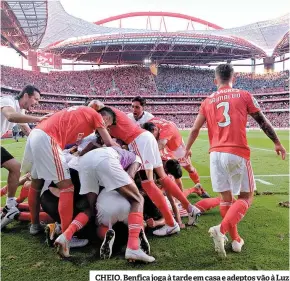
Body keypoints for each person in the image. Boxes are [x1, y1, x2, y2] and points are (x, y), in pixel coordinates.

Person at [185, 63, 286, 257]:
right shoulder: (243, 94)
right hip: (236, 152)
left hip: (215, 154)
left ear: (216, 80)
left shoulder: (207, 101)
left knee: (226, 199)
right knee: (246, 197)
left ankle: (236, 239)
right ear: (234, 78)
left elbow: (195, 129)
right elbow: (262, 121)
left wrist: (187, 149)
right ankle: (221, 230)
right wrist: (277, 142)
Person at [91, 102, 199, 237]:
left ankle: (171, 224)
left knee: (147, 183)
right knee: (162, 177)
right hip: (146, 138)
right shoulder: (111, 117)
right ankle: (189, 208)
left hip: (138, 140)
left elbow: (96, 104)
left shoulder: (105, 113)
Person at [21, 105, 115, 236]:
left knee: (37, 184)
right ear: (106, 118)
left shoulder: (82, 113)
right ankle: (67, 238)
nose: (106, 127)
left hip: (37, 133)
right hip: (48, 138)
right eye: (108, 124)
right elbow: (109, 143)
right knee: (67, 188)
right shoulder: (97, 116)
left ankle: (35, 225)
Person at [77, 146, 155, 263]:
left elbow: (91, 195)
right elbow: (131, 175)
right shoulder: (131, 159)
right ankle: (135, 242)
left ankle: (70, 236)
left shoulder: (96, 158)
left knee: (100, 223)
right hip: (126, 208)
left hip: (84, 165)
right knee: (138, 202)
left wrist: (95, 217)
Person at [1, 85, 43, 229]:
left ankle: (10, 203)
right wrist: (39, 118)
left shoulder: (21, 111)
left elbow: (28, 131)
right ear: (26, 95)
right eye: (35, 99)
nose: (37, 103)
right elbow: (11, 116)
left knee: (15, 167)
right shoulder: (8, 101)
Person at [142, 117, 210, 198]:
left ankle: (200, 188)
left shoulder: (167, 129)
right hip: (164, 146)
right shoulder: (148, 124)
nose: (152, 139)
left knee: (189, 168)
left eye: (152, 136)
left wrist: (186, 148)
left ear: (155, 129)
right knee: (167, 169)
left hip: (176, 147)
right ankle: (165, 188)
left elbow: (161, 144)